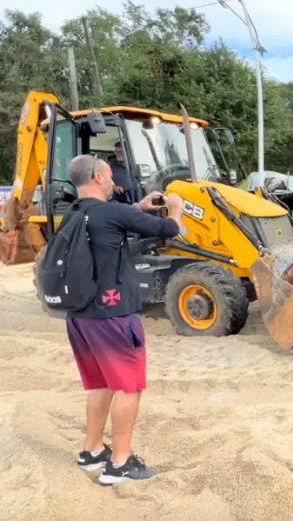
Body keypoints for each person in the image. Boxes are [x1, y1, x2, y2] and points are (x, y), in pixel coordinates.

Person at [63, 154, 183, 485]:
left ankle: (92, 452)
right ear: (99, 178)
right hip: (113, 317)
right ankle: (120, 464)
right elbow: (169, 229)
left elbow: (109, 231)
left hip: (81, 317)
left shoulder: (74, 214)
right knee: (129, 387)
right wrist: (175, 207)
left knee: (101, 384)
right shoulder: (111, 212)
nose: (114, 178)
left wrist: (139, 208)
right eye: (109, 173)